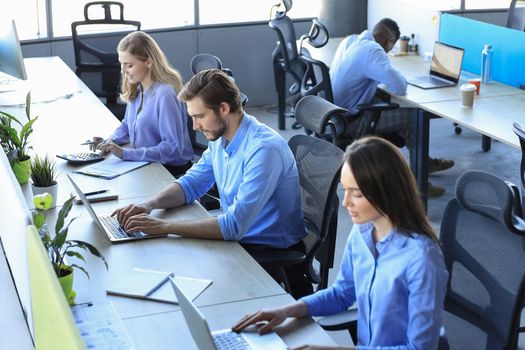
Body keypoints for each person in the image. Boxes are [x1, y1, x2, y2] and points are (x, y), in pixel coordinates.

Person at [112, 69, 313, 299]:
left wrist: (164, 227)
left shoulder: (264, 150)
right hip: (240, 243)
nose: (195, 126)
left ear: (224, 109)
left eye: (199, 116)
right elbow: (191, 184)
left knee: (184, 282)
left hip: (268, 255)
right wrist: (149, 205)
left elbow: (234, 225)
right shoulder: (222, 137)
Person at [233, 136, 449, 350]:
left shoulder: (422, 257)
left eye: (356, 194)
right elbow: (342, 293)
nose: (346, 203)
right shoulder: (363, 231)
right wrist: (287, 311)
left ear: (386, 192)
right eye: (344, 190)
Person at [330, 18, 454, 196]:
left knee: (400, 117)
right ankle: (420, 183)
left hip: (334, 117)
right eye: (391, 46)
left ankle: (423, 165)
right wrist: (392, 72)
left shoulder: (352, 41)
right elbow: (399, 86)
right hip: (352, 122)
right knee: (415, 118)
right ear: (389, 41)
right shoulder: (373, 51)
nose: (389, 51)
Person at [91, 31, 193, 177]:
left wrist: (126, 153)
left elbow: (172, 148)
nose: (123, 71)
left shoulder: (165, 94)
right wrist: (109, 141)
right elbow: (127, 125)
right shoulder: (137, 87)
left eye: (129, 65)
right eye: (122, 64)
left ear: (149, 62)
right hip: (146, 164)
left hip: (169, 172)